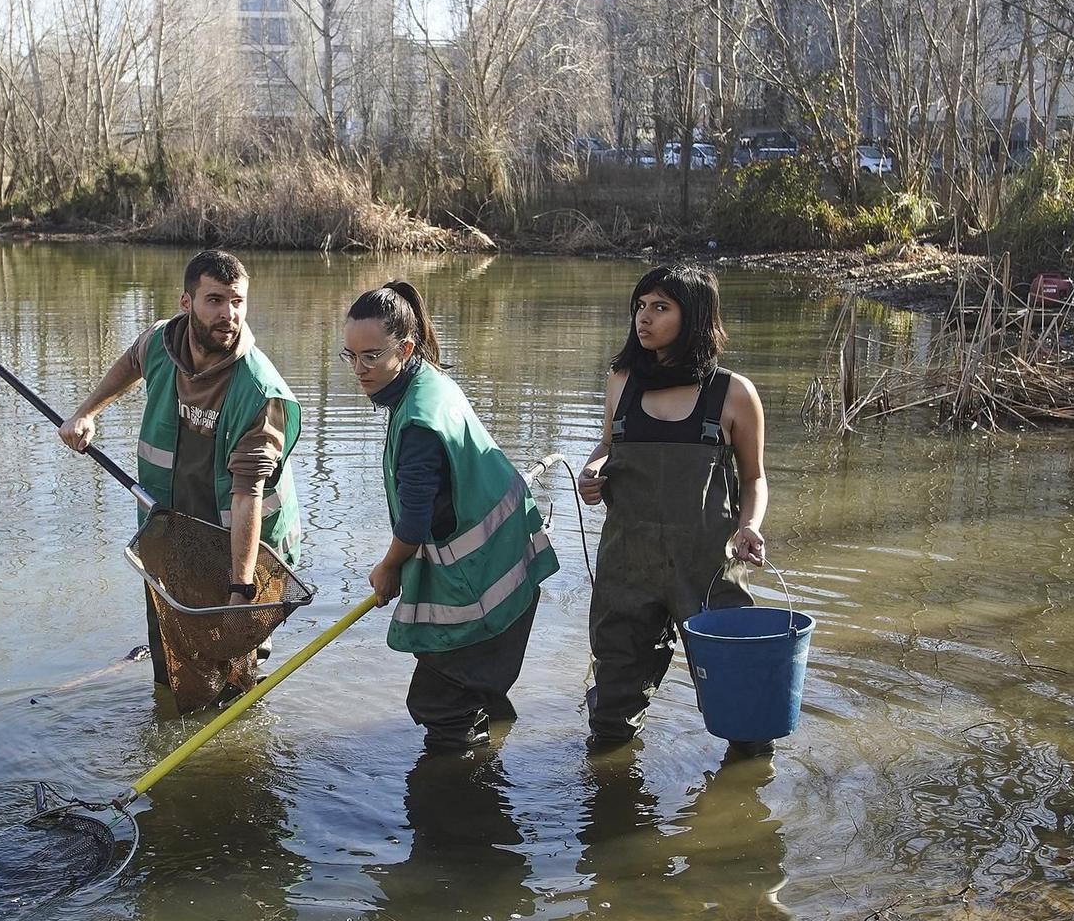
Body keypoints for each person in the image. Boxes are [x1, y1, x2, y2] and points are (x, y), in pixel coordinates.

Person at [59, 249, 302, 710]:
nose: (228, 314)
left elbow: (248, 494)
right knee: (171, 668)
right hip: (171, 529)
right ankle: (172, 717)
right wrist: (87, 412)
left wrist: (240, 589)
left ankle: (230, 760)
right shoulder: (161, 343)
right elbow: (132, 362)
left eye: (237, 301)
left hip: (243, 542)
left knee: (232, 678)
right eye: (214, 300)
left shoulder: (259, 392)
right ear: (186, 303)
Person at [344, 279, 559, 753]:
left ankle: (458, 800)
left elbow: (415, 524)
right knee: (473, 690)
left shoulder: (419, 421)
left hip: (480, 588)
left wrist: (388, 566)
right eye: (350, 356)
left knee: (438, 704)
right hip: (507, 566)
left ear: (405, 346)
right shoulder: (430, 383)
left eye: (371, 357)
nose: (359, 370)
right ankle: (490, 749)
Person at [577, 265, 767, 746]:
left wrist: (750, 527)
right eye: (640, 306)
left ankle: (744, 791)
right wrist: (593, 473)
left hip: (709, 570)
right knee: (612, 714)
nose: (644, 318)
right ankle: (612, 794)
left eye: (660, 308)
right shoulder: (621, 381)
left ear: (696, 316)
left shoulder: (733, 393)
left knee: (739, 702)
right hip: (627, 566)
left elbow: (754, 477)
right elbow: (606, 449)